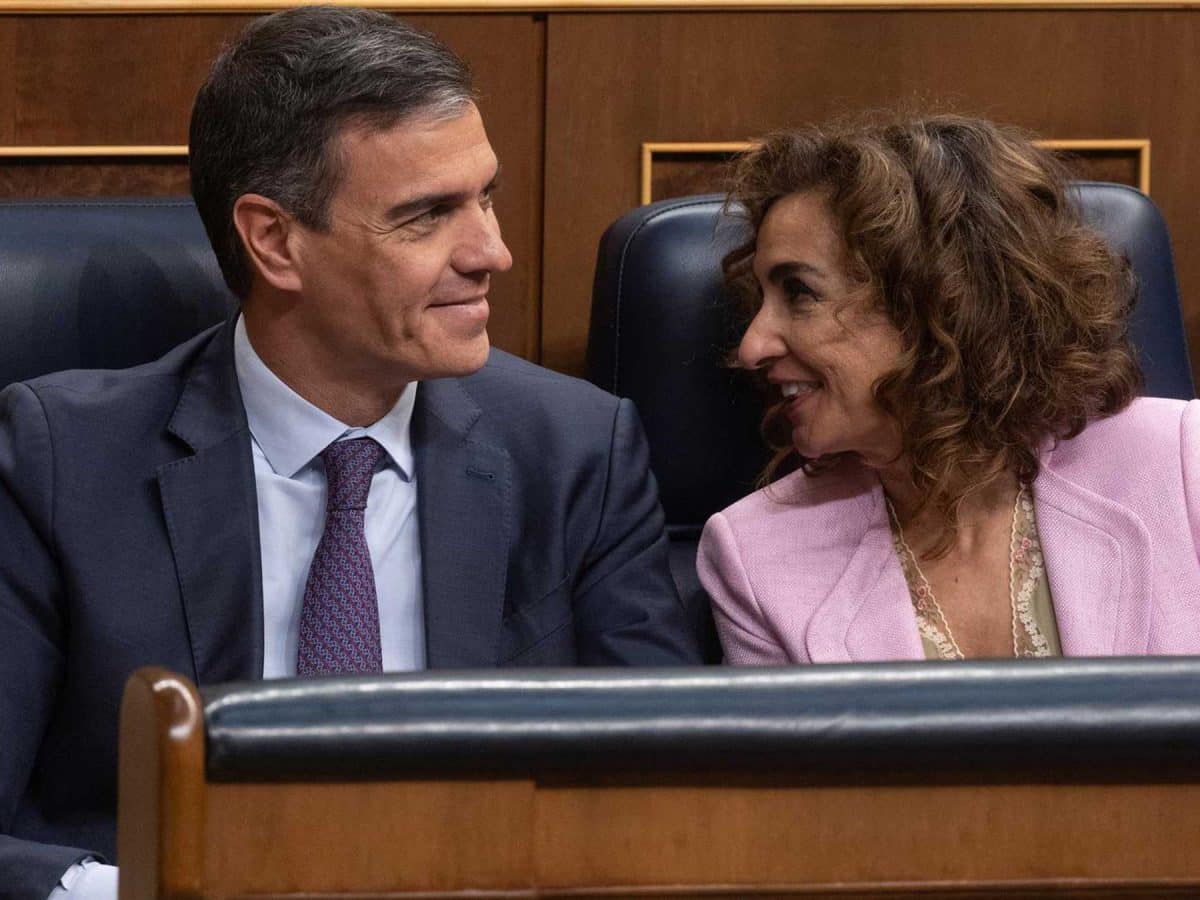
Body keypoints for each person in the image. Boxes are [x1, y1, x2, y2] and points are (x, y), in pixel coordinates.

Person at [0, 7, 701, 898]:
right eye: (426, 216)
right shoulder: (61, 461)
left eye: (484, 195)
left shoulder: (573, 452)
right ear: (274, 240)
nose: (494, 251)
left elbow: (668, 799)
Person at [697, 114, 1200, 666]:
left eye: (800, 292)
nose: (752, 346)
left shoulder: (1183, 464)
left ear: (939, 299)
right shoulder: (754, 557)